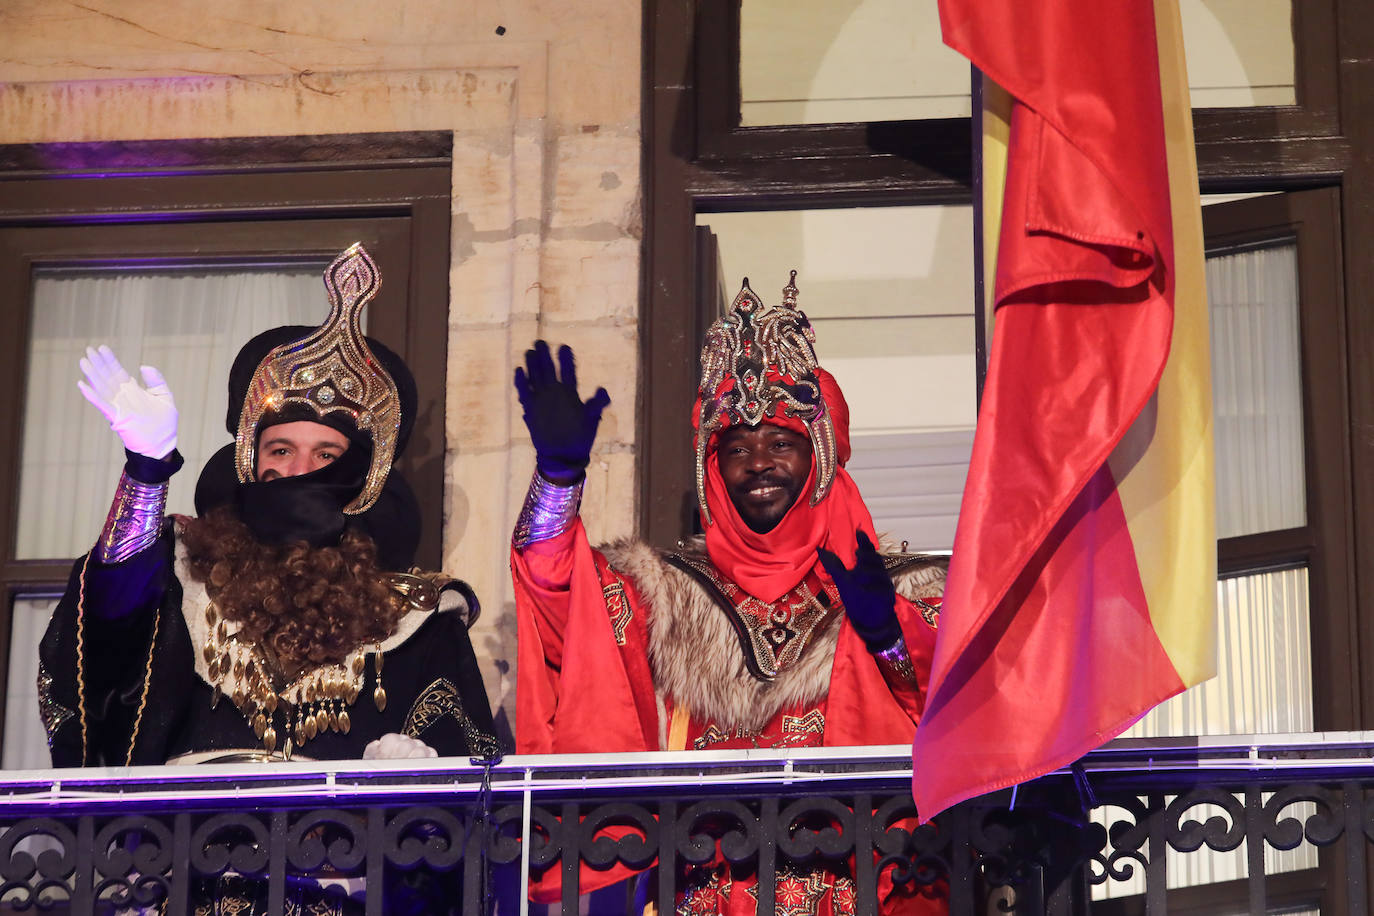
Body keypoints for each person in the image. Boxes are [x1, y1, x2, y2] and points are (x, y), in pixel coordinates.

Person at [511, 273, 946, 913]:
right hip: (703, 891)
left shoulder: (907, 588)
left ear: (822, 455)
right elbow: (558, 597)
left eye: (780, 443)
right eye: (735, 449)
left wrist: (886, 633)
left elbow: (958, 718)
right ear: (711, 471)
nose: (758, 463)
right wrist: (557, 478)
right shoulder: (662, 590)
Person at [37, 242, 496, 767]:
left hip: (341, 845)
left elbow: (469, 774)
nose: (300, 471)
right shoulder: (180, 576)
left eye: (326, 455)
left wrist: (415, 773)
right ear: (249, 463)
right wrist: (148, 469)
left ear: (362, 482)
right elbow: (106, 620)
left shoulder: (417, 619)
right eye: (281, 450)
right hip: (182, 840)